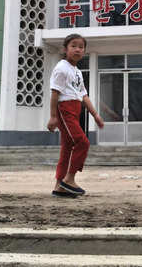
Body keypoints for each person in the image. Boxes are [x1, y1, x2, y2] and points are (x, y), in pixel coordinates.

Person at [47, 34, 104, 197]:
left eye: (81, 46)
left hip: (75, 108)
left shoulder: (77, 71)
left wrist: (95, 115)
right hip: (64, 109)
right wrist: (53, 117)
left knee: (67, 148)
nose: (78, 49)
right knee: (82, 142)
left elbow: (84, 96)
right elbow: (55, 93)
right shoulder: (61, 68)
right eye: (73, 46)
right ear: (65, 49)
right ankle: (69, 179)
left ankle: (60, 186)